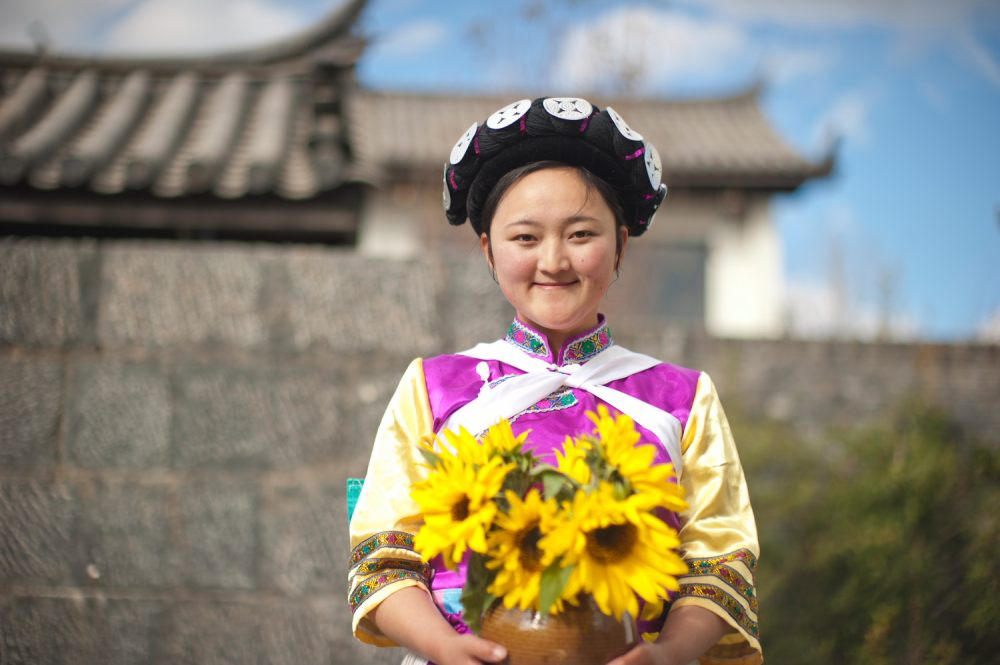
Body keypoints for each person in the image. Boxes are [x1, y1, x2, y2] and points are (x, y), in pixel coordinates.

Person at [348, 97, 761, 665]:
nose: (554, 260)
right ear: (490, 252)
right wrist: (443, 646)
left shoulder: (683, 398)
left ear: (619, 243)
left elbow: (721, 557)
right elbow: (383, 557)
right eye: (524, 238)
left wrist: (667, 655)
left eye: (580, 234)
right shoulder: (433, 387)